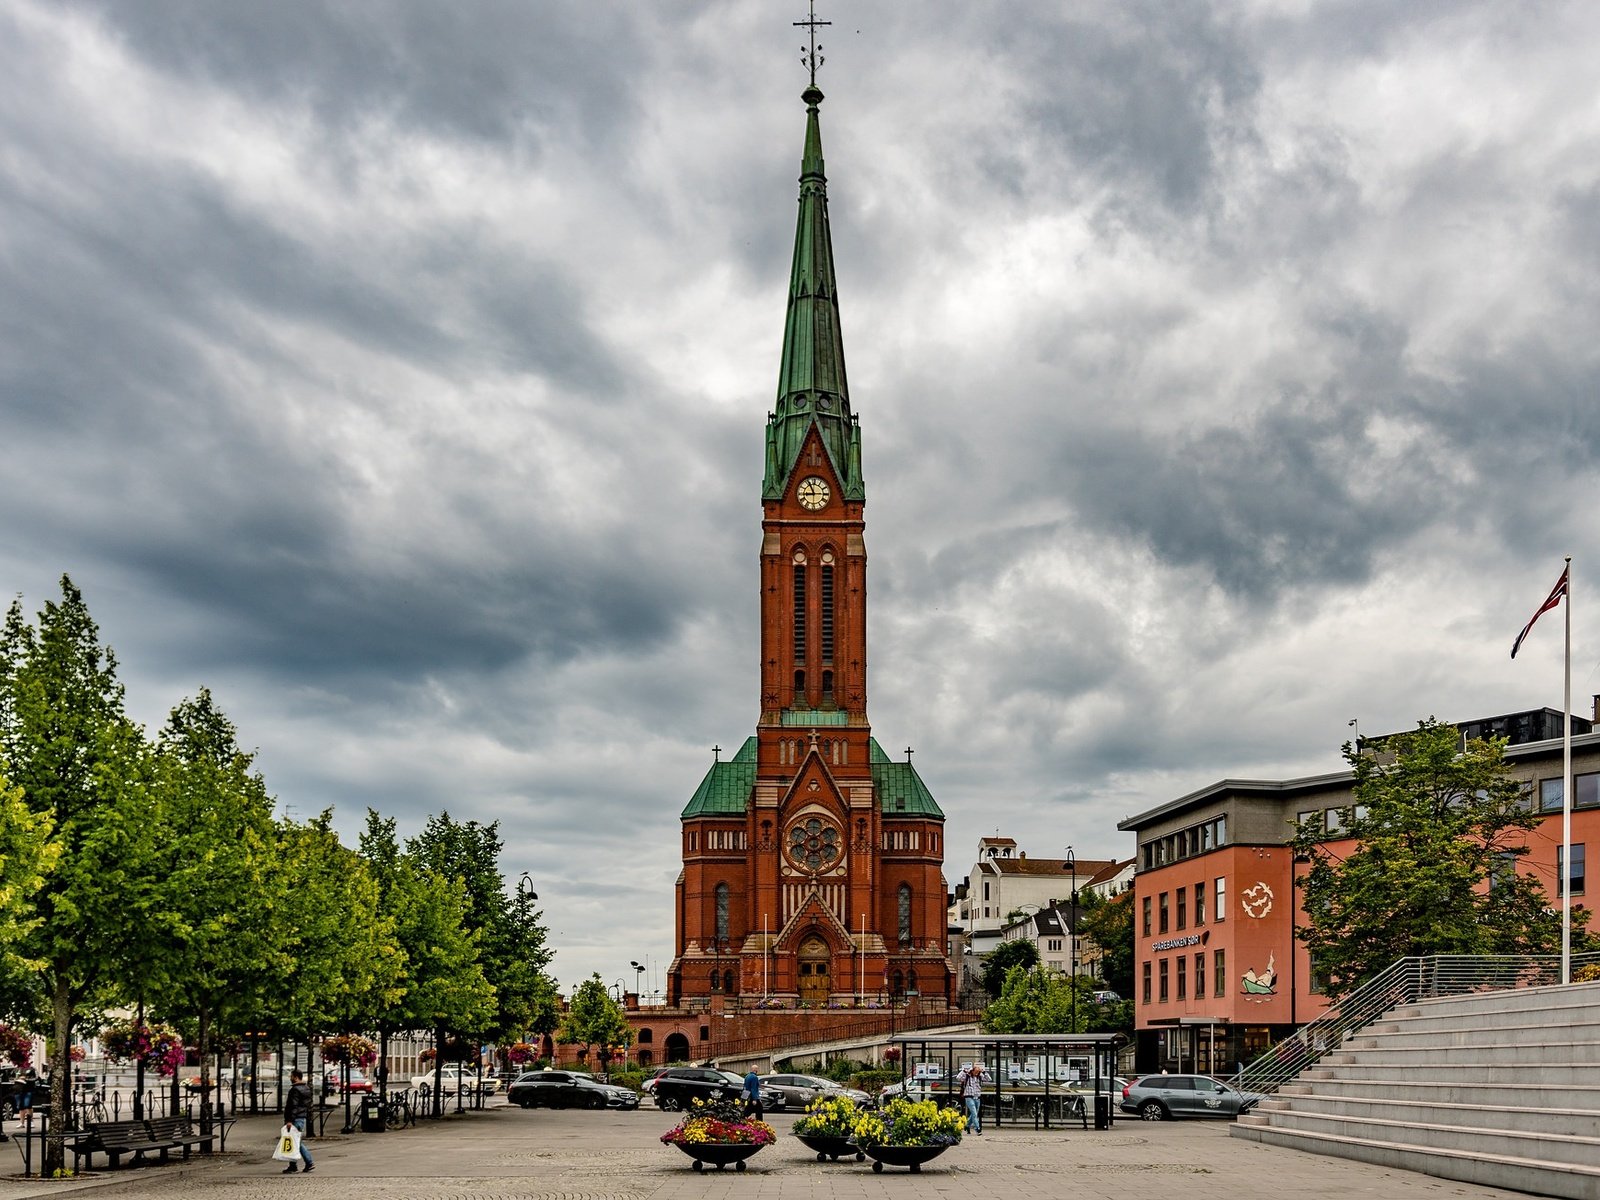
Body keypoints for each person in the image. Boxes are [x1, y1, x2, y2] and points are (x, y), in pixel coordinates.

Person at [281, 1069, 315, 1174]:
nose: (290, 1078)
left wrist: (289, 1120)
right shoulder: (306, 1088)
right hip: (302, 1117)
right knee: (294, 1141)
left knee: (295, 1142)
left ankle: (308, 1162)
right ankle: (294, 1165)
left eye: (291, 1076)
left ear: (296, 1077)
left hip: (295, 1118)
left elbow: (293, 1106)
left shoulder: (295, 1090)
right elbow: (308, 1105)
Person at [956, 1061, 988, 1135]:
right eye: (975, 1072)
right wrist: (964, 1071)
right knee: (973, 1112)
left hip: (977, 1097)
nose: (976, 1073)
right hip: (968, 1096)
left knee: (974, 1113)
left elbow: (988, 1079)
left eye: (978, 1072)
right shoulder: (967, 1076)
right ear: (972, 1071)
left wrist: (984, 1072)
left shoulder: (979, 1076)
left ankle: (967, 1126)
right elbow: (958, 1077)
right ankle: (977, 1128)